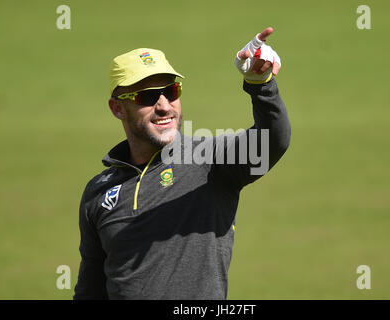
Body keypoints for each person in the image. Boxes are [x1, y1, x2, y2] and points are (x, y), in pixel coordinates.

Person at [74, 27, 291, 300]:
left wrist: (261, 85)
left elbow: (272, 141)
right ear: (117, 108)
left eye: (171, 91)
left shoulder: (210, 161)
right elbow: (90, 289)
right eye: (148, 97)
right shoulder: (98, 192)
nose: (164, 105)